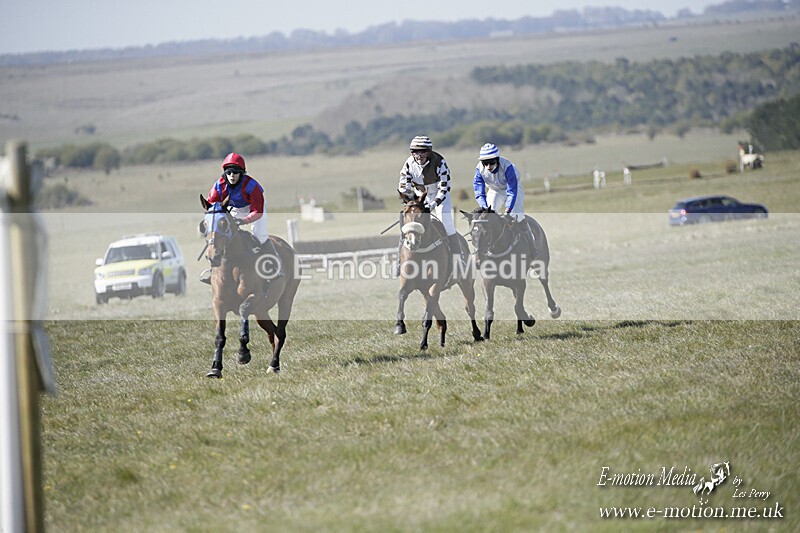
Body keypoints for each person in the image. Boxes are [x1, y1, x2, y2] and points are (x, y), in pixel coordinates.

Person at [200, 152, 282, 284]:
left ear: (241, 173)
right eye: (229, 172)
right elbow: (212, 207)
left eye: (236, 172)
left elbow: (257, 211)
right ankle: (213, 270)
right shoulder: (219, 186)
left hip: (254, 209)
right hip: (234, 209)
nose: (232, 175)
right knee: (222, 235)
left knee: (260, 236)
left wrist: (244, 221)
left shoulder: (252, 186)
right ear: (225, 173)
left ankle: (273, 266)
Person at [396, 135, 465, 282]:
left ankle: (459, 261)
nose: (418, 155)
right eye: (415, 151)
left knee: (447, 226)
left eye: (422, 151)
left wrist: (434, 204)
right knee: (405, 222)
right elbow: (404, 186)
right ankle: (398, 261)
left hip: (439, 198)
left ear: (429, 151)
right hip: (419, 198)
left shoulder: (440, 162)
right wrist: (412, 202)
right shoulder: (408, 164)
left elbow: (445, 187)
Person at [473, 143, 539, 263]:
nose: (488, 166)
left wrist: (508, 210)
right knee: (487, 218)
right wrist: (484, 208)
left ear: (497, 159)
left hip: (514, 189)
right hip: (495, 190)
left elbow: (511, 191)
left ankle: (532, 248)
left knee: (517, 216)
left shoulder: (507, 166)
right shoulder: (479, 169)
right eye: (485, 163)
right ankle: (489, 249)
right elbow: (478, 191)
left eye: (492, 162)